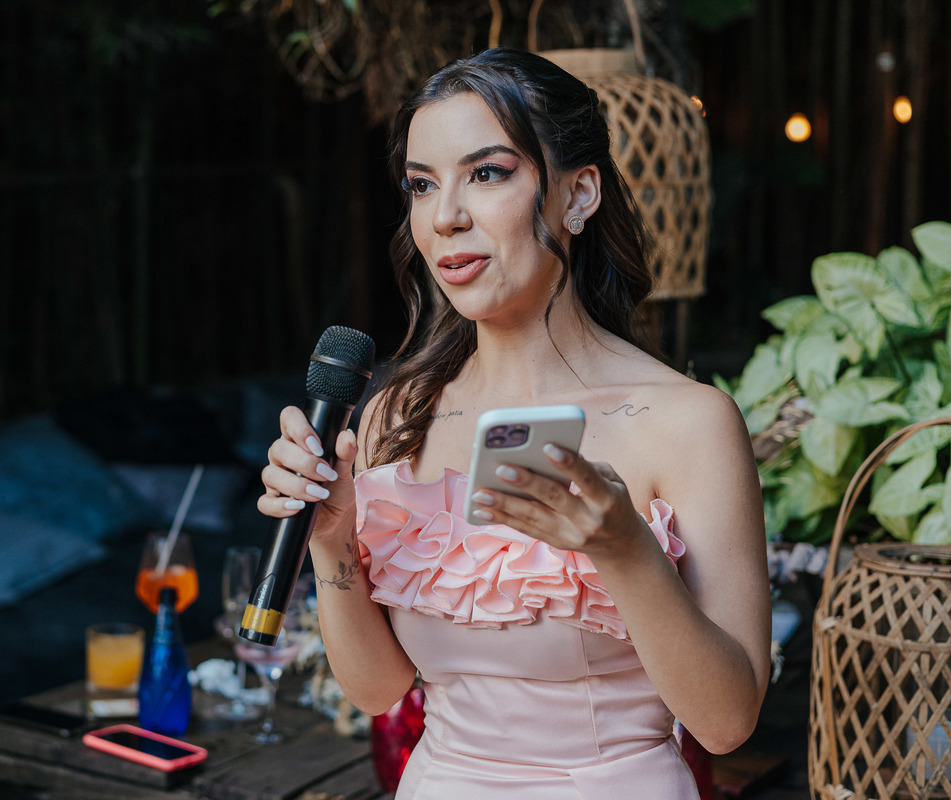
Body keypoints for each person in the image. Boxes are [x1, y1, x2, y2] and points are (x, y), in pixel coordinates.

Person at [258, 47, 770, 798]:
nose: (445, 217)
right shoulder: (399, 413)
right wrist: (330, 538)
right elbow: (376, 690)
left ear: (579, 194)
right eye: (421, 184)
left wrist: (624, 548)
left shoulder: (687, 422)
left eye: (488, 173)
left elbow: (726, 723)